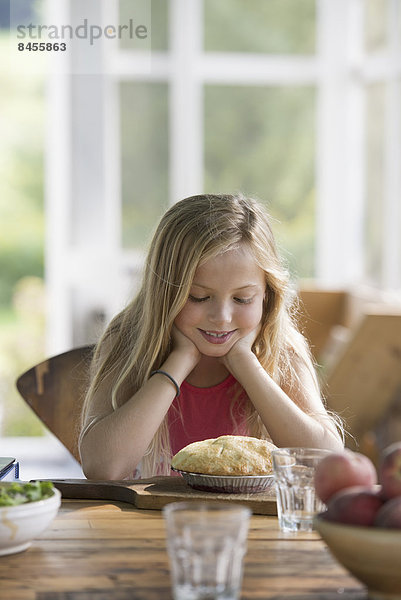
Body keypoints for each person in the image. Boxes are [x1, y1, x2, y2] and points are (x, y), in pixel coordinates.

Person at [79, 193, 344, 480]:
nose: (222, 317)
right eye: (199, 297)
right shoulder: (126, 340)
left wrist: (245, 364)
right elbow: (103, 468)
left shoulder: (282, 350)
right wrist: (179, 362)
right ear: (164, 293)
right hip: (153, 522)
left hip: (253, 525)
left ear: (266, 296)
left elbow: (327, 462)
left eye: (242, 299)